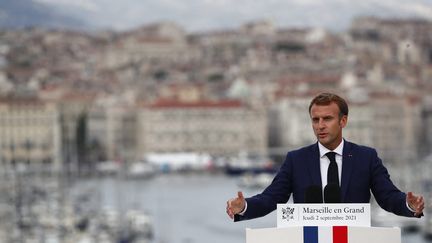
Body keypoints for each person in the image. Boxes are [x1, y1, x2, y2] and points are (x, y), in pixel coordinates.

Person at [226, 92, 425, 221]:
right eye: (315, 120)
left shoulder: (366, 157)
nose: (320, 125)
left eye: (327, 119)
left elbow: (388, 196)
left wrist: (409, 205)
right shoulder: (296, 160)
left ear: (343, 121)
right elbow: (270, 198)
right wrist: (244, 206)